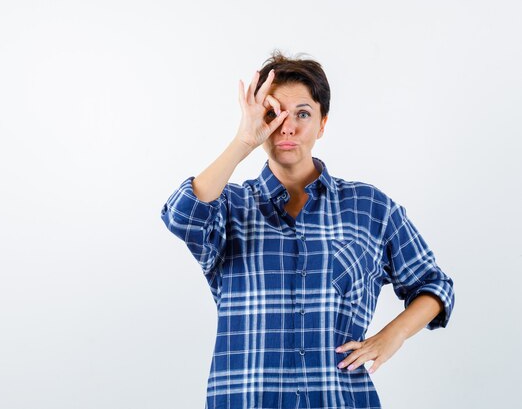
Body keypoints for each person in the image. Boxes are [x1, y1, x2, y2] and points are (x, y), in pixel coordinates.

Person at [159, 50, 455, 409]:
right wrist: (243, 141)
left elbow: (434, 285)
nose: (287, 127)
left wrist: (392, 337)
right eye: (273, 113)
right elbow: (182, 214)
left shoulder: (369, 208)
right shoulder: (230, 206)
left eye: (302, 113)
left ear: (323, 123)